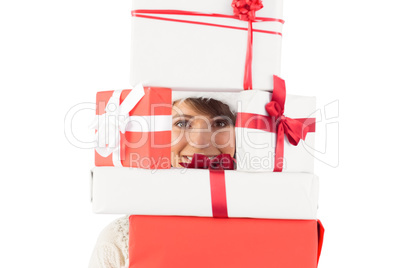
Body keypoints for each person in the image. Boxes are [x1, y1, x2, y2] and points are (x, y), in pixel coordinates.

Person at [89, 96, 237, 268]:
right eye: (182, 124)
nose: (200, 142)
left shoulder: (268, 222)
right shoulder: (120, 240)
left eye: (219, 124)